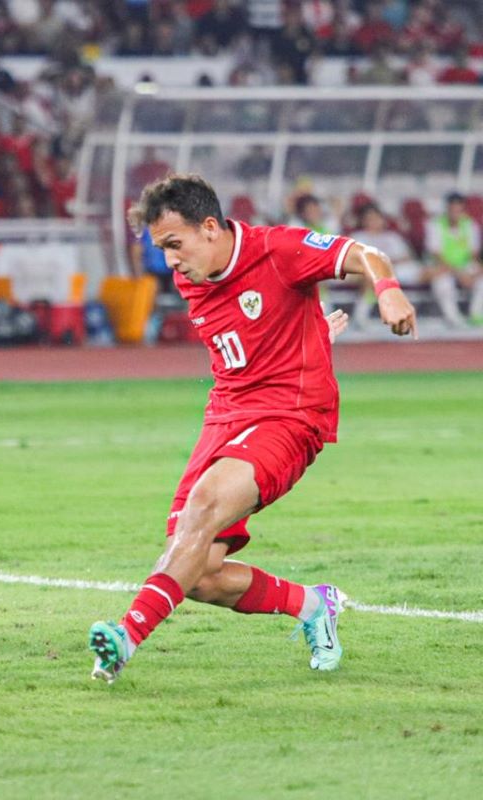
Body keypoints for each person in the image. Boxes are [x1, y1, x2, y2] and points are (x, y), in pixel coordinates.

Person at [88, 174, 416, 685]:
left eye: (174, 244)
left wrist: (389, 292)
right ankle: (313, 605)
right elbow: (252, 332)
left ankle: (125, 637)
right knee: (197, 572)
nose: (169, 261)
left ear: (211, 227)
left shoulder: (279, 249)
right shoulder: (189, 276)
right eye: (161, 248)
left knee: (202, 509)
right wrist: (307, 332)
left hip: (291, 415)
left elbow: (364, 253)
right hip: (225, 414)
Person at [424, 192, 483, 327]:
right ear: (447, 209)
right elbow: (436, 254)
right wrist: (458, 273)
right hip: (442, 265)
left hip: (464, 264)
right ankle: (453, 317)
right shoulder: (435, 225)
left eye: (459, 210)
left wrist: (473, 272)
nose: (455, 214)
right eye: (452, 210)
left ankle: (476, 313)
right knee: (443, 283)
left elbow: (473, 253)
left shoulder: (470, 225)